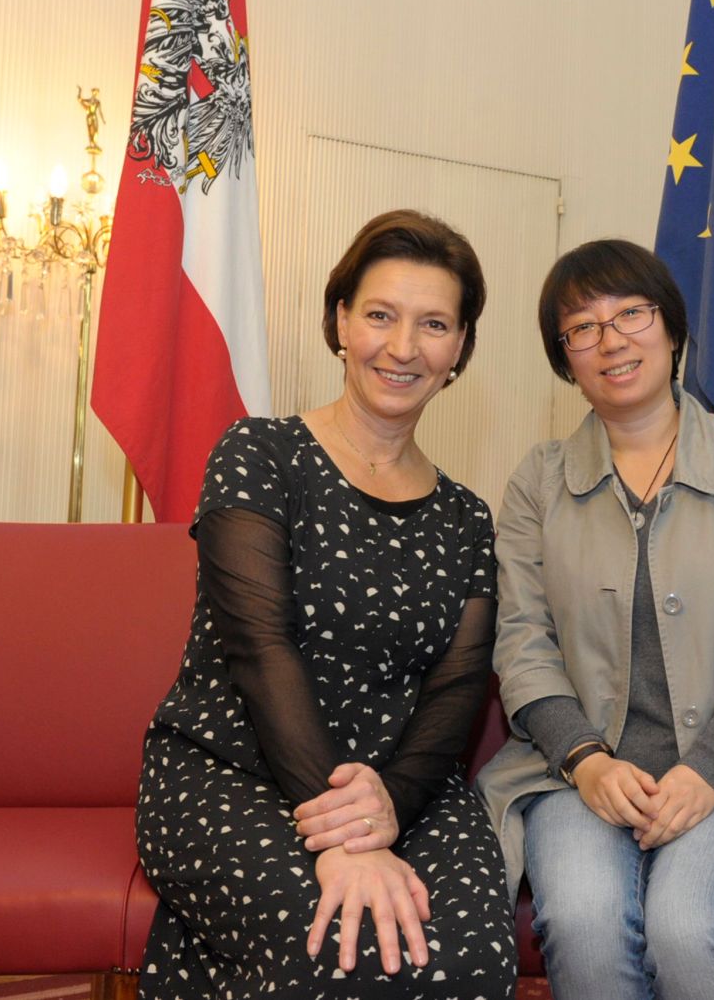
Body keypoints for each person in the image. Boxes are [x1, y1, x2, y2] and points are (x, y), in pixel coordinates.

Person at [136, 210, 517, 1000]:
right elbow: (259, 647)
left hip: (406, 789)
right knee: (346, 951)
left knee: (472, 959)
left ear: (460, 351)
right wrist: (340, 833)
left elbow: (456, 692)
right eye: (380, 315)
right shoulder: (259, 454)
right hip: (235, 772)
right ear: (340, 320)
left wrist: (387, 810)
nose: (403, 347)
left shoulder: (469, 518)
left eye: (434, 324)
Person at [476, 239, 714, 999]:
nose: (610, 340)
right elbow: (521, 644)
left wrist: (706, 771)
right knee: (582, 921)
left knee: (687, 925)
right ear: (566, 359)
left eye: (631, 314)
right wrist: (586, 760)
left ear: (673, 330)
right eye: (581, 327)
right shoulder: (537, 483)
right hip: (574, 775)